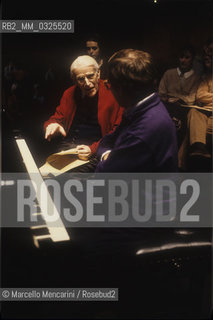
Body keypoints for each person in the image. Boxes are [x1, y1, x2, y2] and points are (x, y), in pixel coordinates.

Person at [95, 49, 178, 173]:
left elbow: (104, 175)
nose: (109, 90)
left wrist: (107, 157)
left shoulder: (142, 131)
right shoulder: (143, 108)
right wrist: (108, 155)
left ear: (121, 89)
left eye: (109, 85)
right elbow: (106, 142)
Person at [44, 55, 123, 164]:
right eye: (81, 79)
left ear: (98, 74)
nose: (87, 83)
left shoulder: (113, 92)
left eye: (90, 76)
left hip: (98, 150)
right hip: (69, 148)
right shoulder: (69, 93)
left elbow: (118, 132)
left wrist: (93, 149)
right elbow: (57, 118)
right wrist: (52, 124)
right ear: (74, 80)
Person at [186, 40, 213, 158]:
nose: (209, 55)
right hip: (206, 113)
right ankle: (199, 148)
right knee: (193, 112)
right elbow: (200, 95)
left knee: (195, 127)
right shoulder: (207, 78)